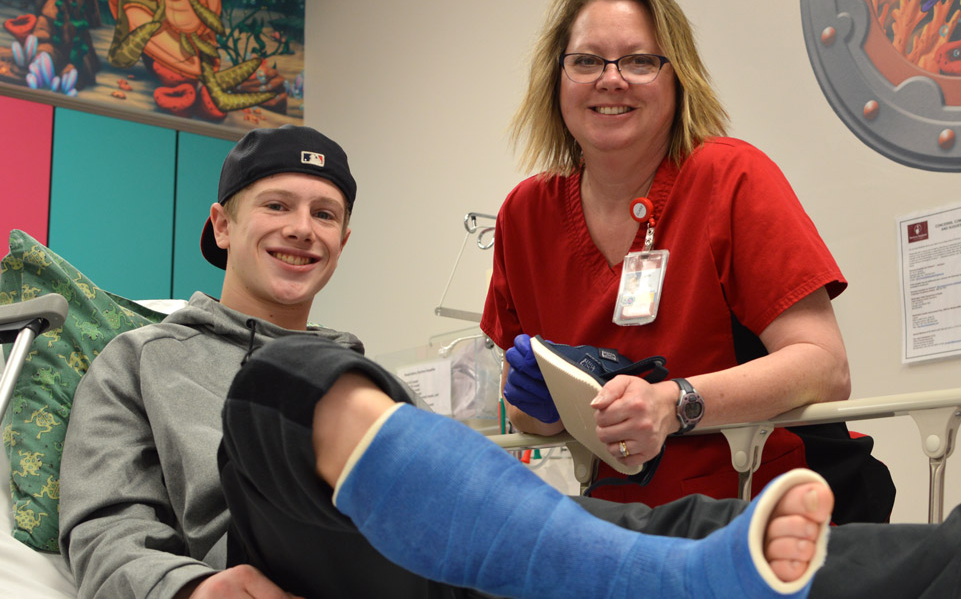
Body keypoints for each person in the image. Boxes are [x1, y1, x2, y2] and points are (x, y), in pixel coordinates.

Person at [57, 124, 832, 599]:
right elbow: (102, 525)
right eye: (276, 206)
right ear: (221, 225)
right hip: (277, 552)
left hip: (412, 559)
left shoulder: (353, 370)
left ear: (343, 242)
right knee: (282, 381)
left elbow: (448, 483)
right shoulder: (140, 357)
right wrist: (187, 589)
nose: (302, 229)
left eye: (324, 214)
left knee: (659, 524)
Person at [479, 0, 893, 517]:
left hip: (768, 504)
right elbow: (530, 415)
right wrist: (540, 403)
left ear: (678, 78)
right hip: (627, 523)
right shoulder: (525, 217)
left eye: (639, 60)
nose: (611, 79)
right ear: (557, 79)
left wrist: (674, 402)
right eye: (586, 61)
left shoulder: (731, 178)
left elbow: (823, 366)